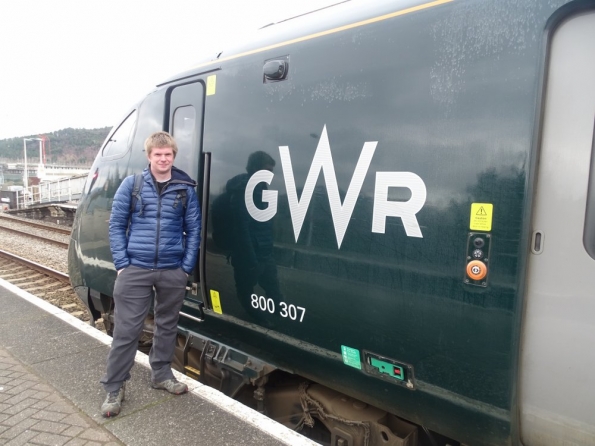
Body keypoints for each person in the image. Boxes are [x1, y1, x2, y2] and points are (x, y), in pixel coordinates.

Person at [100, 131, 201, 417]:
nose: (163, 158)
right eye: (158, 154)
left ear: (173, 156)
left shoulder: (185, 189)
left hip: (171, 270)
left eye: (168, 154)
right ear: (149, 157)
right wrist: (122, 263)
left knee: (167, 325)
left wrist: (185, 268)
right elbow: (116, 225)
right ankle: (114, 387)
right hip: (136, 268)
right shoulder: (131, 185)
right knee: (127, 330)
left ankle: (161, 374)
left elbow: (194, 230)